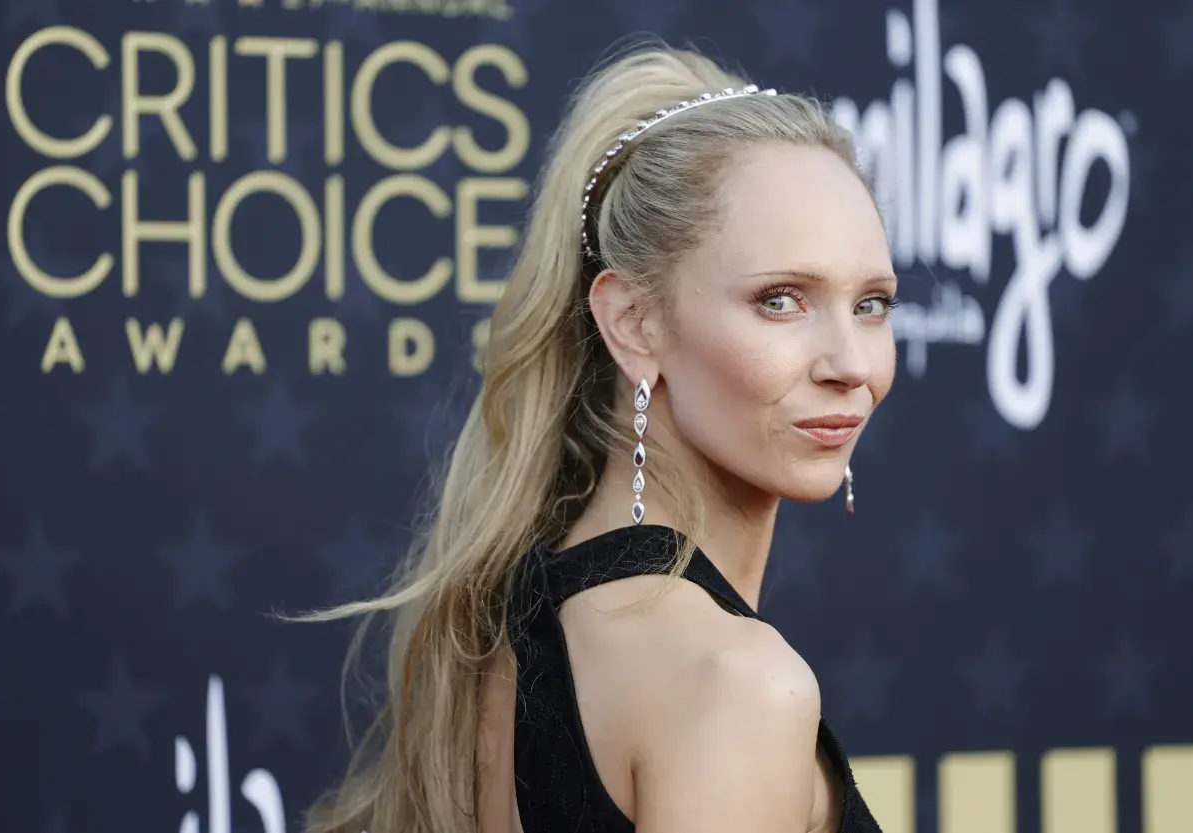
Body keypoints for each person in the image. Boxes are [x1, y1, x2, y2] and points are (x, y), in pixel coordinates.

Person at [303, 42, 895, 833]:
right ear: (633, 322)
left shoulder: (523, 623)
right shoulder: (735, 683)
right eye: (780, 300)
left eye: (872, 304)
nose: (851, 364)